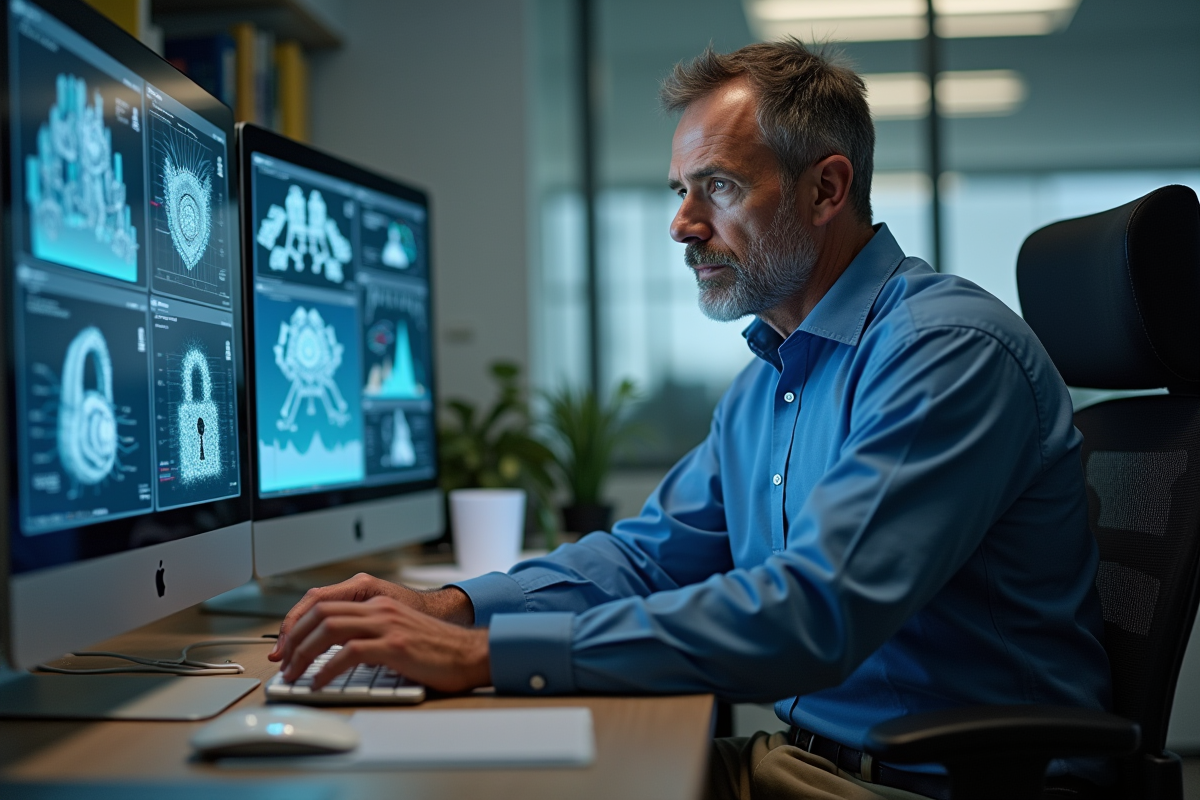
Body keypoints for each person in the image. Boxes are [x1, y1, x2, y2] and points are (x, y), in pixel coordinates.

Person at [270, 39, 1111, 800]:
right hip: (809, 766)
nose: (682, 224)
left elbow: (812, 613)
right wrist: (454, 606)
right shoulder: (772, 376)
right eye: (681, 189)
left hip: (946, 786)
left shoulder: (943, 354)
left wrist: (488, 658)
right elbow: (647, 560)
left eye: (720, 186)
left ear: (827, 189)